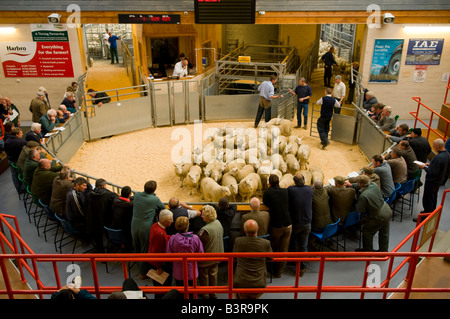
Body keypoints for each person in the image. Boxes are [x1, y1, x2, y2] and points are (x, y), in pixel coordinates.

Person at [131, 180, 166, 279]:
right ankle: (143, 272)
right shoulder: (154, 199)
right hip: (145, 227)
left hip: (134, 225)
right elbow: (163, 209)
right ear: (154, 190)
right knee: (145, 249)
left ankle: (139, 268)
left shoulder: (137, 195)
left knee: (137, 247)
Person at [350, 175, 392, 252]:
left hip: (378, 216)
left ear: (359, 184)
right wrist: (352, 185)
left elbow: (360, 209)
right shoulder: (374, 185)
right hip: (387, 210)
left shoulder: (364, 195)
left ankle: (367, 251)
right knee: (384, 232)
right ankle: (383, 251)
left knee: (367, 233)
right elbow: (364, 186)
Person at [233, 219, 273, 300]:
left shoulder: (238, 241)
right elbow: (271, 258)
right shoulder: (265, 243)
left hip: (241, 282)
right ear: (257, 228)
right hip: (259, 283)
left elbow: (234, 257)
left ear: (244, 230)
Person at [262, 174, 292, 278]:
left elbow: (265, 203)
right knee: (284, 249)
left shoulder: (267, 193)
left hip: (277, 225)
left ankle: (270, 269)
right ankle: (279, 272)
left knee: (273, 247)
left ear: (269, 183)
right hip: (288, 224)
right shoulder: (285, 191)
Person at [166, 216, 204, 293]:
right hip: (192, 271)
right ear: (187, 226)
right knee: (192, 292)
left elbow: (168, 254)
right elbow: (201, 254)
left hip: (178, 272)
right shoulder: (195, 238)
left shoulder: (173, 238)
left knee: (180, 292)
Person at [416, 139, 450, 217]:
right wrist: (430, 165)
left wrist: (424, 167)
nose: (433, 148)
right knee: (433, 198)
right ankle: (430, 212)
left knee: (427, 199)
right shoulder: (447, 154)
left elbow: (432, 172)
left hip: (432, 181)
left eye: (434, 146)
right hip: (438, 181)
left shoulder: (438, 158)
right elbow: (440, 167)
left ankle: (425, 216)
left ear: (438, 146)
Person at [287, 173, 312, 276]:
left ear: (294, 182)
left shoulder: (291, 189)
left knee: (295, 243)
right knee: (303, 245)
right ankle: (303, 266)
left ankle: (294, 261)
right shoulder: (309, 189)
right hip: (307, 223)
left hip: (296, 222)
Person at [197, 205, 224, 299]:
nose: (201, 216)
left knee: (204, 276)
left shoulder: (205, 230)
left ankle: (205, 294)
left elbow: (198, 245)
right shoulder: (218, 223)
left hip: (206, 259)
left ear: (208, 216)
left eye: (203, 215)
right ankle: (213, 293)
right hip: (217, 256)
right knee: (213, 274)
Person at [85, 178, 118, 253]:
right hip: (105, 220)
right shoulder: (109, 194)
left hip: (92, 220)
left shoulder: (89, 194)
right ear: (103, 186)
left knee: (98, 239)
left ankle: (101, 253)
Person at [148, 209, 173, 298]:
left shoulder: (155, 226)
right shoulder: (160, 234)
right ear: (166, 221)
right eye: (171, 219)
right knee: (162, 288)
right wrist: (158, 267)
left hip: (154, 262)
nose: (172, 221)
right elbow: (157, 251)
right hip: (159, 265)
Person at [110, 186, 134, 250]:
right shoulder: (130, 205)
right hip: (124, 230)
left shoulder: (115, 201)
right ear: (129, 194)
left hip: (113, 228)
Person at [4, 127, 27, 194]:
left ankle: (19, 189)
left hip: (11, 160)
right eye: (21, 133)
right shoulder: (21, 142)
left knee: (14, 175)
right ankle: (23, 187)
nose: (22, 134)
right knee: (24, 174)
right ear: (16, 134)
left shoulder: (7, 140)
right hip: (18, 162)